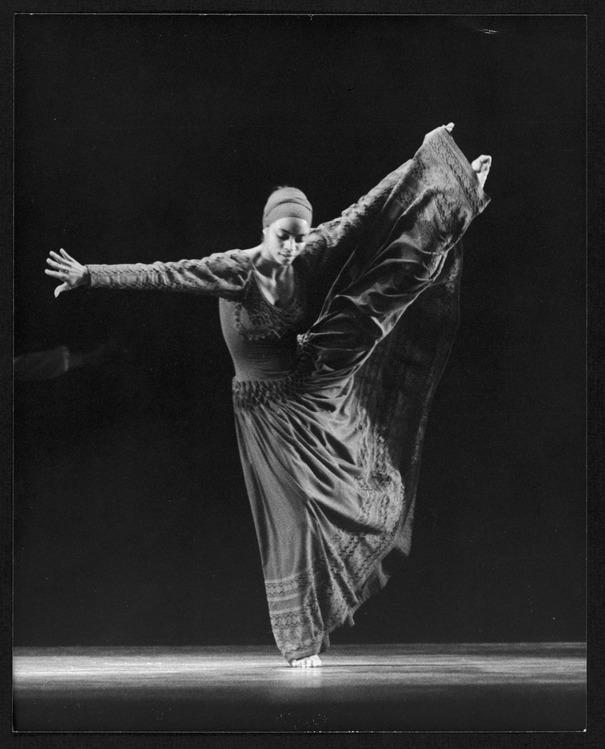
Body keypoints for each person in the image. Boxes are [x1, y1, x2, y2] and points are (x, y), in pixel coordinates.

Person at [45, 123, 492, 668]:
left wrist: (427, 158)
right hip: (264, 407)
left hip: (310, 373)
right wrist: (89, 275)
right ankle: (302, 640)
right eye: (285, 234)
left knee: (391, 286)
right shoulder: (238, 269)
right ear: (265, 230)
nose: (295, 244)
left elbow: (371, 205)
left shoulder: (313, 248)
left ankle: (457, 197)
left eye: (301, 233)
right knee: (300, 517)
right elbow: (164, 275)